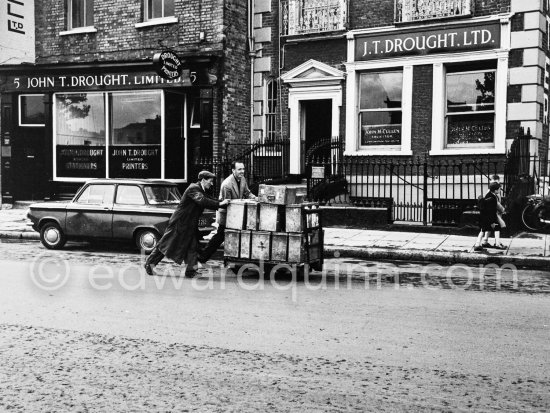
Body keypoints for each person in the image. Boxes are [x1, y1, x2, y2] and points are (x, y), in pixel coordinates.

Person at [144, 170, 229, 277]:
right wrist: (220, 204)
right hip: (179, 223)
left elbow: (208, 199)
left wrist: (221, 202)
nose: (211, 184)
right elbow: (202, 201)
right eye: (210, 181)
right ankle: (149, 264)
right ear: (203, 180)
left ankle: (190, 271)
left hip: (188, 225)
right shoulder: (193, 188)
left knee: (192, 246)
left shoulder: (200, 189)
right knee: (166, 245)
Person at [198, 161, 257, 263]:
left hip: (236, 213)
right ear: (233, 170)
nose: (242, 171)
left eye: (243, 169)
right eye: (239, 169)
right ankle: (203, 257)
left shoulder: (242, 179)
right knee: (220, 236)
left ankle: (212, 257)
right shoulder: (227, 184)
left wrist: (255, 198)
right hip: (227, 214)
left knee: (227, 236)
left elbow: (247, 193)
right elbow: (227, 203)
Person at [474, 181, 506, 251]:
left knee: (483, 230)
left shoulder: (488, 195)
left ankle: (477, 244)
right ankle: (497, 244)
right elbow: (491, 211)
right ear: (495, 190)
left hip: (483, 217)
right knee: (497, 227)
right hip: (489, 217)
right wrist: (492, 222)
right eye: (499, 189)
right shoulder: (492, 198)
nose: (500, 190)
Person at [481, 174, 506, 247]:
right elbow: (496, 203)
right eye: (493, 182)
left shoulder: (493, 190)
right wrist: (502, 209)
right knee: (496, 227)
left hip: (494, 212)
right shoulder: (492, 192)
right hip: (494, 212)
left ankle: (485, 241)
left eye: (497, 182)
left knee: (490, 228)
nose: (495, 184)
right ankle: (497, 243)